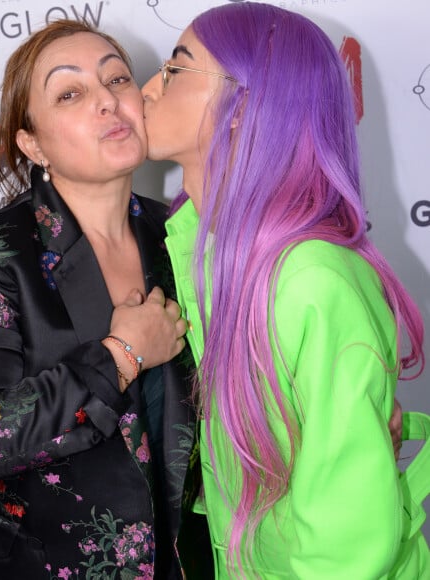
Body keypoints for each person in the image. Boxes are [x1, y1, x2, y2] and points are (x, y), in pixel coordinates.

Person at [142, 2, 430, 578]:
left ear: (242, 107)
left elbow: (347, 550)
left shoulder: (312, 280)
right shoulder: (199, 249)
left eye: (176, 67)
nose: (149, 87)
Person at [0, 19, 204, 580]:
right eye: (71, 93)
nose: (107, 102)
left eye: (118, 80)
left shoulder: (183, 234)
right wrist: (121, 355)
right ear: (33, 143)